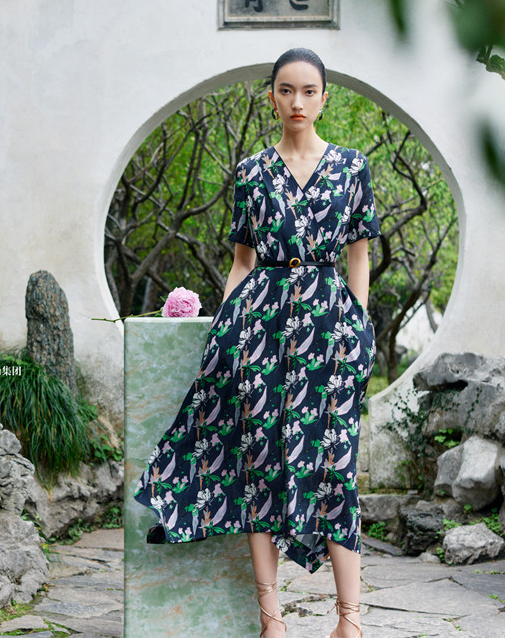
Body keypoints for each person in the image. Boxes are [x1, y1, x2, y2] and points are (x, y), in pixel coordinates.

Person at [132, 47, 380, 638]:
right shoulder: (251, 171)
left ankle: (350, 622)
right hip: (259, 329)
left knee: (335, 467)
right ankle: (273, 622)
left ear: (324, 98)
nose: (298, 102)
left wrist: (358, 326)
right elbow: (242, 263)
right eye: (286, 90)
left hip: (329, 329)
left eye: (309, 91)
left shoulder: (352, 167)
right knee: (260, 468)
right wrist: (226, 330)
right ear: (271, 97)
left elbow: (359, 257)